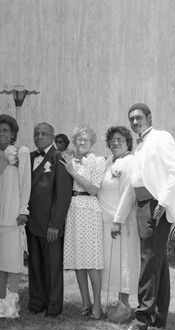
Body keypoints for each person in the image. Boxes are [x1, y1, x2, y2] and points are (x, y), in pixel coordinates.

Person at [117, 103, 175, 330]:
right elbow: (133, 184)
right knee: (158, 262)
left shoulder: (160, 137)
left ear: (149, 117)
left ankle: (141, 319)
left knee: (149, 261)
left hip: (155, 206)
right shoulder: (140, 145)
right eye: (131, 119)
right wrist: (119, 217)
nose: (135, 122)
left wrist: (163, 202)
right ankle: (158, 317)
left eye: (138, 117)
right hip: (141, 205)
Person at [26, 122, 73, 318]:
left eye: (43, 134)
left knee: (53, 267)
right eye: (36, 133)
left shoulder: (59, 158)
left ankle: (53, 307)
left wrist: (55, 225)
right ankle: (37, 303)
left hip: (50, 224)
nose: (39, 137)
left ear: (52, 136)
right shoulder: (28, 158)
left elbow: (63, 196)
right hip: (31, 222)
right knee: (35, 265)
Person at [0, 114, 30, 319]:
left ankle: (12, 302)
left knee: (12, 260)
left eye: (5, 130)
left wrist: (23, 210)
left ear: (13, 133)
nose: (1, 133)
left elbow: (25, 183)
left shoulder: (22, 152)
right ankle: (0, 299)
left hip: (12, 213)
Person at [62, 126, 106, 319]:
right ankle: (85, 302)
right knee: (78, 261)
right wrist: (70, 167)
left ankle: (97, 304)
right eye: (78, 139)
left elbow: (94, 189)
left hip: (89, 209)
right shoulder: (69, 160)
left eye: (86, 139)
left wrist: (72, 172)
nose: (81, 142)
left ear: (92, 142)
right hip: (73, 210)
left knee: (92, 261)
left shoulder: (98, 161)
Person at [98, 126, 140, 310]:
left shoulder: (129, 162)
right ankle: (112, 304)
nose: (115, 143)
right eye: (112, 140)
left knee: (124, 262)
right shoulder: (108, 162)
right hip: (104, 221)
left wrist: (118, 220)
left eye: (120, 140)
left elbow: (128, 194)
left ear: (127, 143)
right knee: (111, 264)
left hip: (120, 223)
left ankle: (124, 304)